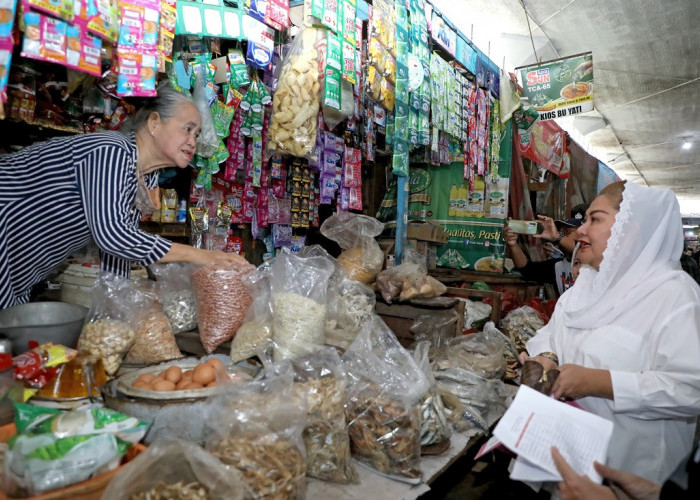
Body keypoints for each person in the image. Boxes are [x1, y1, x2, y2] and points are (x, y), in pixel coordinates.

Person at [0, 84, 247, 310]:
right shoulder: (111, 152)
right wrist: (202, 256)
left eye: (197, 134)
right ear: (154, 123)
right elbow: (113, 236)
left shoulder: (144, 176)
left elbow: (118, 249)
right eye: (187, 129)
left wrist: (117, 308)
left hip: (20, 269)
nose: (192, 141)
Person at [524, 180, 700, 485]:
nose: (580, 230)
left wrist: (599, 383)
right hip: (572, 462)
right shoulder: (587, 285)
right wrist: (547, 357)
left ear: (630, 229)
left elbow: (690, 387)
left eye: (595, 219)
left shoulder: (675, 295)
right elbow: (552, 334)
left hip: (633, 476)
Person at [505, 204, 588, 295]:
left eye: (567, 232)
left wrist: (557, 236)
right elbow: (526, 269)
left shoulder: (598, 263)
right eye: (561, 231)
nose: (562, 235)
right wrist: (513, 245)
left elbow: (580, 248)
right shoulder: (558, 266)